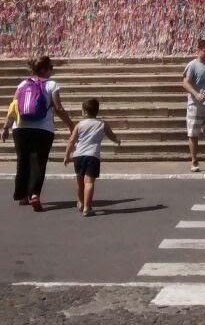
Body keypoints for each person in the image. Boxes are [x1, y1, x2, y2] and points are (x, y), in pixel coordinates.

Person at [1, 56, 74, 210]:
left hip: (20, 128)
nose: (52, 71)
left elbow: (13, 107)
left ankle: (22, 195)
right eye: (51, 68)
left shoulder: (22, 84)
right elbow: (58, 108)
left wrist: (6, 127)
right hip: (43, 129)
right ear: (45, 69)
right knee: (39, 162)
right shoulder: (52, 85)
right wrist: (70, 124)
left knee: (23, 160)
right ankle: (34, 194)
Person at [63, 97, 121, 216]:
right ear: (97, 111)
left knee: (80, 181)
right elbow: (111, 135)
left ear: (84, 112)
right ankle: (87, 208)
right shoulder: (102, 124)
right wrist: (116, 140)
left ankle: (80, 202)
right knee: (89, 182)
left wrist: (67, 155)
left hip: (78, 155)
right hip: (92, 155)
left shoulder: (79, 125)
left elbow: (71, 141)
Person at [182, 38, 205, 172]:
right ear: (198, 51)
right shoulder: (192, 65)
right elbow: (185, 82)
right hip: (195, 104)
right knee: (193, 133)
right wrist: (195, 94)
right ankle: (194, 160)